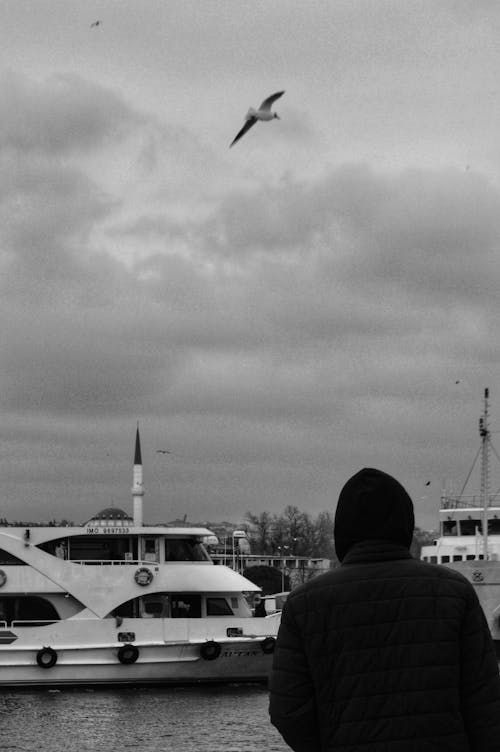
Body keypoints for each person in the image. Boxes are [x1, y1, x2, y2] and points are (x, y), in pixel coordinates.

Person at [269, 467, 500, 751]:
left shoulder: (304, 603)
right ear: (405, 522)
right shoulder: (455, 591)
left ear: (342, 529)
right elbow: (485, 702)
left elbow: (287, 710)